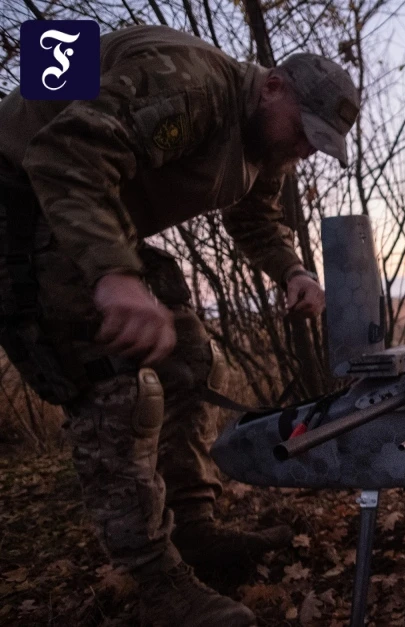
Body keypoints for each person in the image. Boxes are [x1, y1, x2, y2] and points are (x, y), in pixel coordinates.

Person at [0, 25, 358, 625]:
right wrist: (114, 274)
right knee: (120, 380)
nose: (303, 151)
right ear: (272, 87)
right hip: (19, 194)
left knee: (191, 360)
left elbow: (255, 220)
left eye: (316, 145)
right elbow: (66, 150)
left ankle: (191, 527)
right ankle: (153, 581)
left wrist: (293, 271)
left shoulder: (263, 142)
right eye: (303, 134)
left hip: (83, 214)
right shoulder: (190, 85)